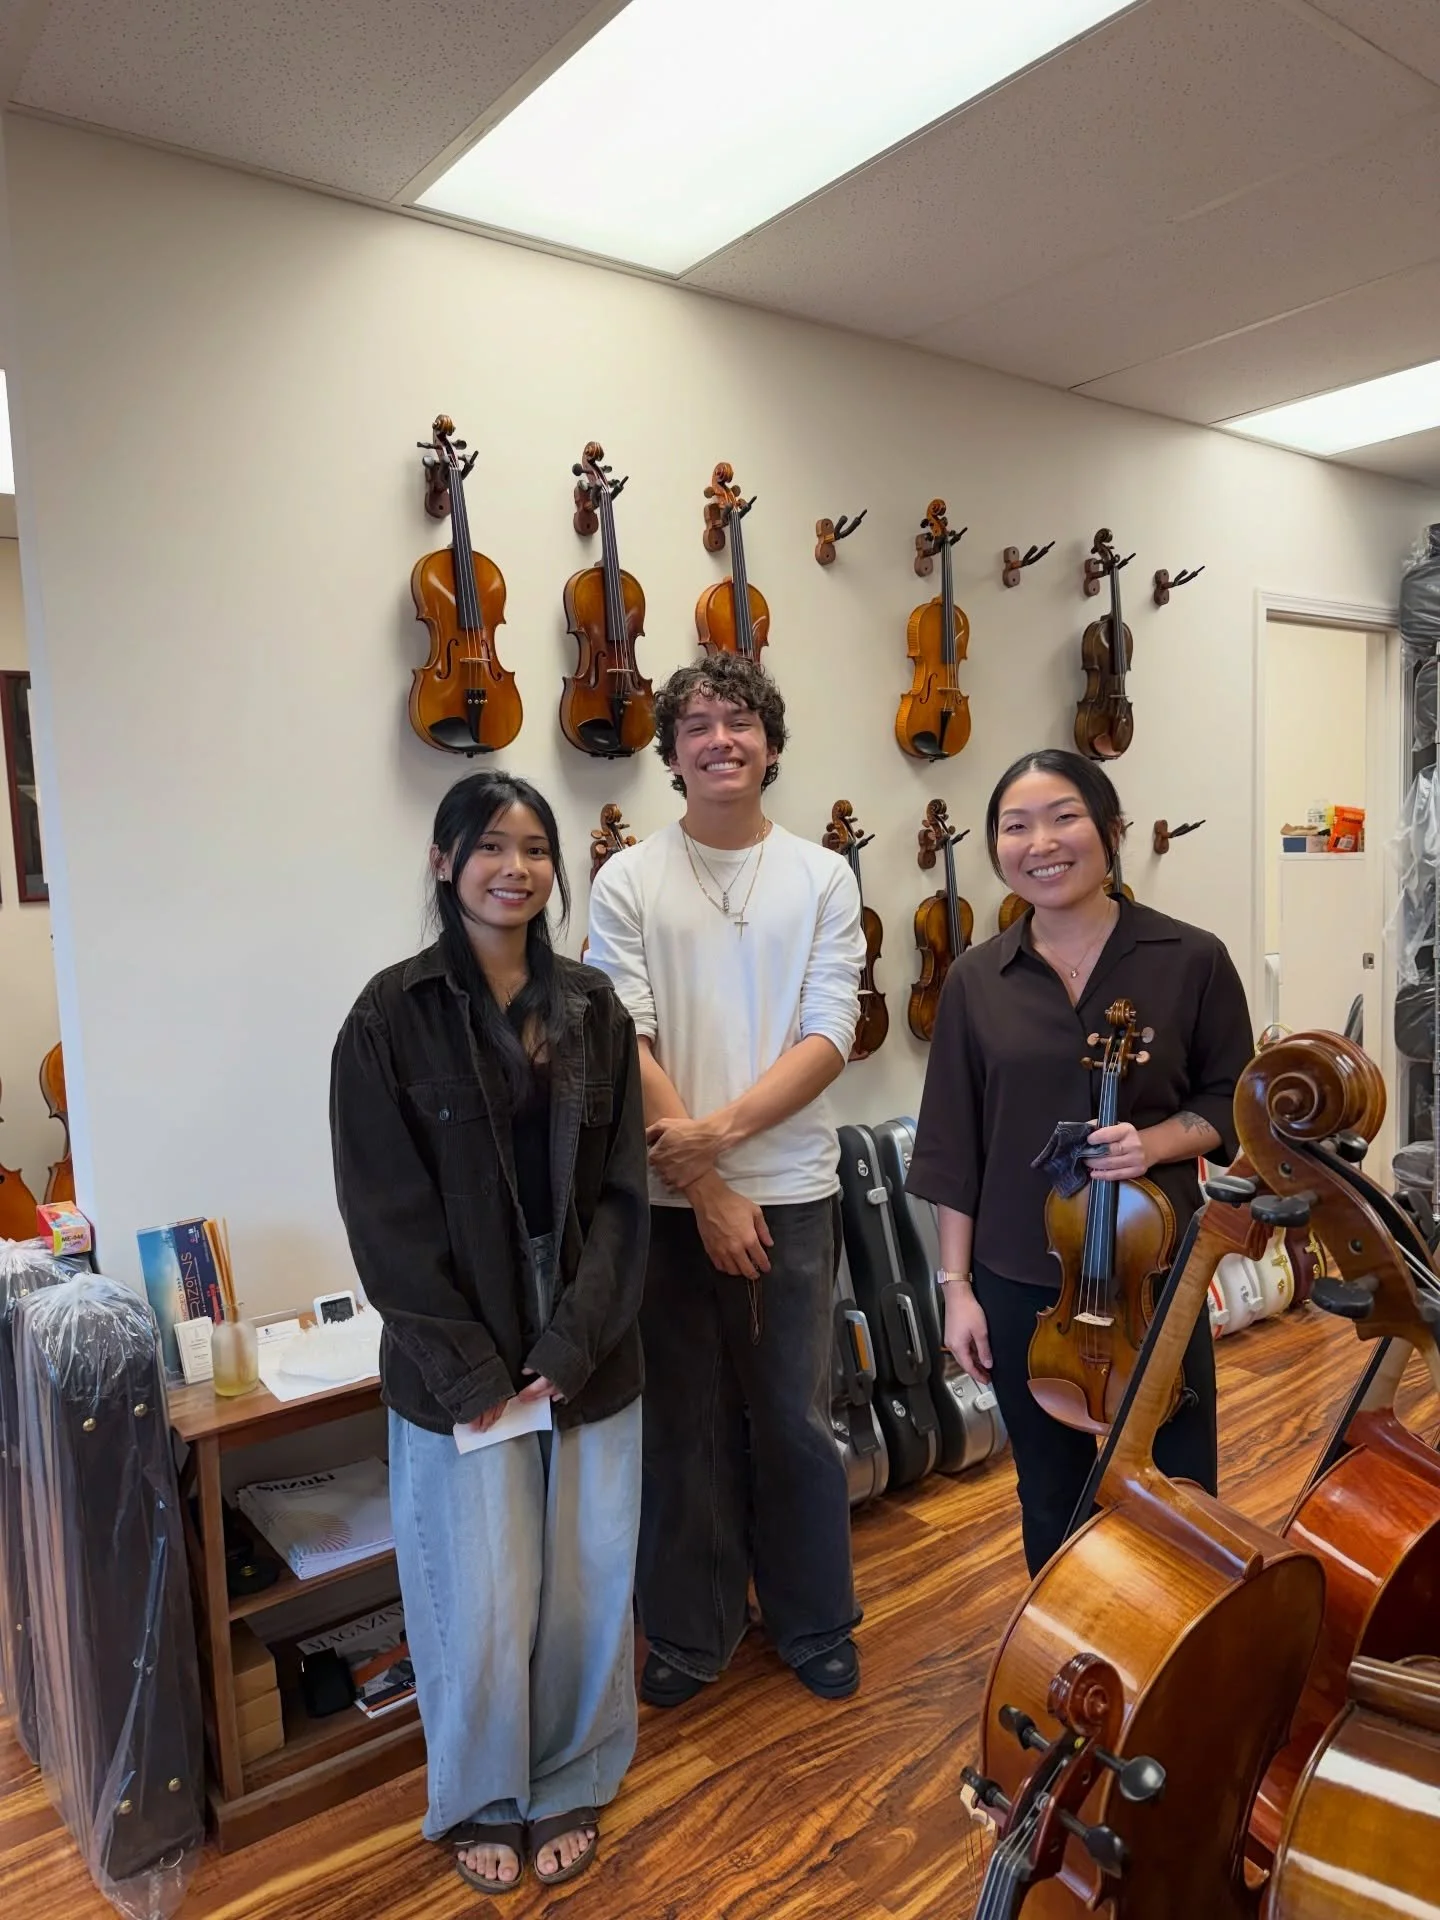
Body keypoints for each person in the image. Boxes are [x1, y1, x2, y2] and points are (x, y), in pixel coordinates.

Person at [329, 772, 648, 1897]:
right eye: (491, 846)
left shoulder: (594, 1008)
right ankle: (481, 1797)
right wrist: (469, 1368)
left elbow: (621, 1193)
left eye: (536, 847)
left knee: (585, 1575)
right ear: (442, 861)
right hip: (453, 1349)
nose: (516, 867)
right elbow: (384, 1216)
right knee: (478, 1589)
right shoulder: (387, 1015)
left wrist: (574, 1342)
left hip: (588, 1341)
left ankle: (570, 1774)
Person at [586, 652, 866, 1705]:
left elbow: (832, 1032)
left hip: (794, 1188)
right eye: (697, 725)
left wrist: (723, 1145)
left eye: (740, 721)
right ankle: (691, 1633)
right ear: (671, 756)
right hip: (664, 1201)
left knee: (794, 1416)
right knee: (686, 1421)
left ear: (772, 747)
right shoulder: (628, 879)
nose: (720, 739)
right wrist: (703, 1184)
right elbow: (626, 1039)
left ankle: (813, 1618)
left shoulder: (822, 875)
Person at [906, 749, 1253, 1577]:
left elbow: (1232, 1099)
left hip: (1152, 1273)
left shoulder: (1189, 957)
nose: (1041, 842)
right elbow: (955, 1148)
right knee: (1050, 1494)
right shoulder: (975, 981)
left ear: (1111, 832)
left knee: (1176, 1484)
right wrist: (955, 1290)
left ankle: (1180, 1667)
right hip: (1022, 1278)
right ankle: (1068, 1670)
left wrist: (1157, 1143)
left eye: (1064, 817)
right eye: (1015, 826)